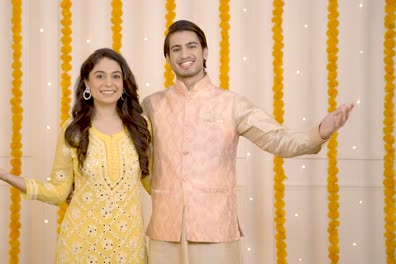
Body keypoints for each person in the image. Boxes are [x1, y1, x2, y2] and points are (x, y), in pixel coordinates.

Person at [141, 20, 354, 264]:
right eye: (175, 49)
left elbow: (277, 140)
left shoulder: (232, 103)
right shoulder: (152, 105)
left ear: (205, 52)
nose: (184, 54)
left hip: (216, 229)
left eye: (191, 46)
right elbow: (135, 157)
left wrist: (319, 132)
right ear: (167, 57)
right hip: (164, 230)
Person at [0, 48, 152, 264]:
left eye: (116, 76)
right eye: (100, 76)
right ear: (87, 84)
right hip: (80, 245)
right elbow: (58, 191)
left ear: (124, 83)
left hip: (128, 245)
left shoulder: (141, 127)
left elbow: (154, 183)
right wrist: (8, 177)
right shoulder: (73, 130)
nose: (109, 83)